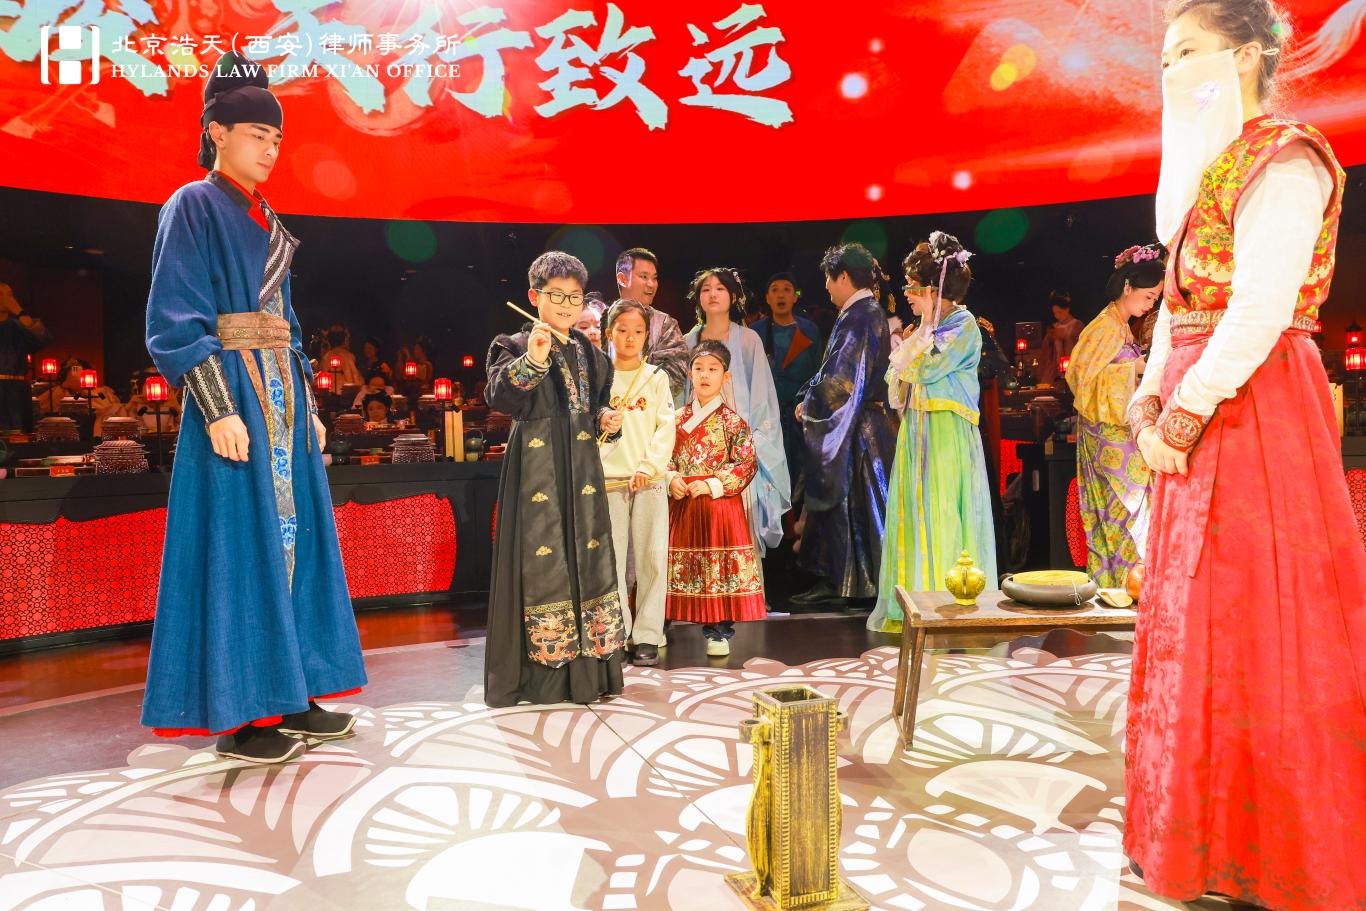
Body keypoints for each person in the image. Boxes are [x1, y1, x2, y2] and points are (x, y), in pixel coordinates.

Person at [1124, 3, 1366, 908]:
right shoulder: (1206, 177)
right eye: (1165, 56)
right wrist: (1148, 402)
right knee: (1195, 626)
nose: (1172, 71)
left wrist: (1182, 414)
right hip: (1197, 404)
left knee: (1262, 621)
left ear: (1249, 54)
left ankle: (1273, 850)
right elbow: (1178, 311)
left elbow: (1260, 309)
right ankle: (1192, 840)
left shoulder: (1286, 157)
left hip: (1256, 406)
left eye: (1189, 50)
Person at [141, 52, 366, 763]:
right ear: (216, 132)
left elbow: (286, 322)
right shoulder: (193, 205)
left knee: (294, 543)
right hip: (235, 396)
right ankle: (245, 716)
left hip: (283, 401)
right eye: (256, 135)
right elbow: (175, 320)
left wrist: (310, 404)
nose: (270, 149)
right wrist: (216, 409)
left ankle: (292, 692)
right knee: (240, 548)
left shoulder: (267, 216)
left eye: (276, 139)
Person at [484, 251, 626, 706]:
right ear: (534, 296)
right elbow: (499, 397)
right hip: (537, 469)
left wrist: (607, 417)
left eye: (574, 297)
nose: (566, 305)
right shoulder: (512, 343)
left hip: (583, 469)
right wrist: (533, 359)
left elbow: (599, 401)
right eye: (556, 295)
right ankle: (541, 678)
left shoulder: (590, 351)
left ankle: (590, 676)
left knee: (589, 555)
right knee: (541, 561)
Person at [869, 233, 997, 632]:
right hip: (917, 428)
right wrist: (914, 343)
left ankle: (948, 603)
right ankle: (914, 603)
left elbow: (923, 369)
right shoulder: (924, 329)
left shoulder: (963, 325)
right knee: (915, 510)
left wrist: (914, 343)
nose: (907, 294)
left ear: (933, 289)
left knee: (942, 510)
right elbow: (894, 379)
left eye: (913, 287)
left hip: (946, 430)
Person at [791, 243, 897, 608]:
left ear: (844, 276)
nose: (825, 287)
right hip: (862, 422)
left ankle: (853, 584)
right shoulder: (863, 312)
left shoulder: (861, 315)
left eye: (828, 278)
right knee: (853, 507)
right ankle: (843, 581)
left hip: (857, 428)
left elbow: (843, 379)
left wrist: (810, 402)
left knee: (852, 505)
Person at [1066, 244, 1161, 588]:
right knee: (1124, 511)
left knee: (1129, 512)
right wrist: (1133, 368)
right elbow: (1079, 378)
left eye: (1154, 299)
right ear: (1127, 287)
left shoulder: (1120, 326)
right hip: (1108, 438)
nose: (1150, 304)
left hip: (1119, 436)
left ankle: (1126, 585)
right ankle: (1122, 586)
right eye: (1148, 297)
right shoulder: (1104, 328)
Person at [683, 268, 791, 556]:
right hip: (697, 444)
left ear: (732, 296)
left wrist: (750, 443)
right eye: (706, 289)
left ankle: (744, 584)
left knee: (738, 521)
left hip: (736, 442)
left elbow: (762, 396)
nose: (712, 294)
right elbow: (681, 396)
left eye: (720, 288)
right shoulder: (688, 341)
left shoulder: (747, 339)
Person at [665, 341, 764, 657]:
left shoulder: (733, 422)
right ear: (690, 373)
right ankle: (657, 626)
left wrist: (713, 484)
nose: (705, 375)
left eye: (712, 369)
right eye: (699, 369)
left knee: (718, 568)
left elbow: (747, 464)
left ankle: (719, 631)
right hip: (681, 502)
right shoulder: (674, 419)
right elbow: (661, 456)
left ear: (726, 376)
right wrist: (671, 478)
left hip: (718, 507)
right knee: (669, 565)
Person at [599, 300, 674, 667]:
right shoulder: (599, 377)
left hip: (648, 480)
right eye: (622, 330)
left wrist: (649, 466)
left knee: (652, 559)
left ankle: (647, 635)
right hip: (609, 480)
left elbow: (666, 427)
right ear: (609, 333)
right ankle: (617, 633)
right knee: (611, 562)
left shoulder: (656, 377)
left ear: (647, 336)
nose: (630, 338)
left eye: (638, 331)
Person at [751, 273, 822, 503]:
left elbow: (818, 374)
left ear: (795, 296)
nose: (780, 294)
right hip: (766, 420)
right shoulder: (755, 332)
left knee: (800, 477)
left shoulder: (809, 330)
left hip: (799, 418)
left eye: (787, 289)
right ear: (767, 298)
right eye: (774, 290)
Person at [615, 247, 688, 401]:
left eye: (654, 278)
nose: (651, 284)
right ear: (622, 279)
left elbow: (676, 373)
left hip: (647, 409)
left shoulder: (665, 324)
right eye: (644, 276)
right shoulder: (598, 320)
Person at [0, 282, 50, 433]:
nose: (7, 299)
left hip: (18, 388)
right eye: (1, 295)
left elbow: (42, 339)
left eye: (10, 295)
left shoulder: (18, 326)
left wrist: (21, 313)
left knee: (21, 433)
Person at [38, 358, 122, 435]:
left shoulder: (100, 392)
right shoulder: (61, 392)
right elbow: (48, 405)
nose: (76, 374)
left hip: (97, 414)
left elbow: (105, 403)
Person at [1038, 291, 1082, 385]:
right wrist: (1050, 338)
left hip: (1072, 367)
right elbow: (1046, 350)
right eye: (1055, 313)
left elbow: (1081, 347)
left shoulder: (1077, 325)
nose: (1057, 316)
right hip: (1056, 369)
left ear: (1067, 309)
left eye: (1059, 312)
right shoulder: (1056, 326)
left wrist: (1065, 338)